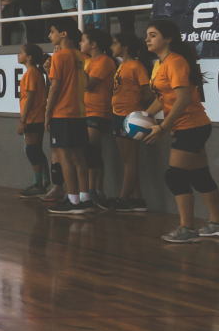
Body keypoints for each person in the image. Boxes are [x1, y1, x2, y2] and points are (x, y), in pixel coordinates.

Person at [145, 19, 219, 243]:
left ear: (168, 38)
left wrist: (163, 127)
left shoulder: (176, 62)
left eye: (153, 35)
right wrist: (144, 116)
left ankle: (188, 229)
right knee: (199, 175)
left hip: (192, 126)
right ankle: (218, 223)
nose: (147, 39)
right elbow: (162, 99)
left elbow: (182, 100)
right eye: (147, 35)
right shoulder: (159, 64)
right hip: (187, 126)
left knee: (175, 176)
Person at [44, 18, 94, 216]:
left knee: (64, 157)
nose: (50, 35)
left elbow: (55, 87)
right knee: (79, 157)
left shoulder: (59, 57)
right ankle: (85, 198)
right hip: (79, 111)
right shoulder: (79, 56)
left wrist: (48, 114)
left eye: (53, 31)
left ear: (63, 34)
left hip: (62, 112)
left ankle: (73, 201)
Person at [107, 30, 152, 213]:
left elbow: (146, 91)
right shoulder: (122, 66)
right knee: (127, 159)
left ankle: (123, 198)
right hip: (117, 114)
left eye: (115, 43)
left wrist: (141, 113)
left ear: (125, 47)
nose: (111, 47)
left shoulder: (136, 66)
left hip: (130, 116)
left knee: (130, 159)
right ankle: (137, 198)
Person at [80, 25, 116, 206]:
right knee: (90, 152)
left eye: (83, 40)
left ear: (93, 44)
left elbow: (88, 84)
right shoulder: (88, 61)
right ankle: (91, 191)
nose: (80, 43)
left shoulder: (104, 61)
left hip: (98, 111)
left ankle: (94, 191)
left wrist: (78, 65)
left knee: (91, 152)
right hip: (86, 111)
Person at [15, 42, 53, 199]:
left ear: (28, 57)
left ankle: (39, 184)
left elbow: (30, 98)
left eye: (21, 52)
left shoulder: (31, 74)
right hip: (36, 116)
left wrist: (22, 121)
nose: (18, 55)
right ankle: (44, 183)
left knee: (32, 151)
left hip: (33, 117)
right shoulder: (35, 73)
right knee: (37, 151)